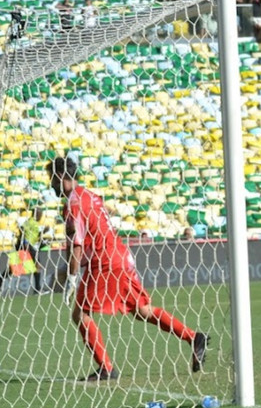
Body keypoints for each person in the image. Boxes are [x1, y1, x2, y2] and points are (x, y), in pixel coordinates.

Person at [47, 156, 207, 381]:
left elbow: (77, 245)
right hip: (120, 256)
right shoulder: (90, 196)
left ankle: (106, 367)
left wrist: (72, 277)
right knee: (143, 311)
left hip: (104, 262)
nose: (51, 185)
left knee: (81, 314)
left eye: (53, 179)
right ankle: (193, 337)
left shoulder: (74, 203)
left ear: (62, 177)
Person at [0, 207, 49, 296]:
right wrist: (25, 245)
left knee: (15, 267)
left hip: (25, 246)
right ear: (37, 214)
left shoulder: (33, 223)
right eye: (40, 214)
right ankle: (38, 289)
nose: (41, 216)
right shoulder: (31, 223)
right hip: (26, 246)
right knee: (37, 265)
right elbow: (23, 231)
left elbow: (31, 235)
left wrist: (43, 232)